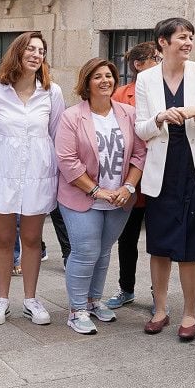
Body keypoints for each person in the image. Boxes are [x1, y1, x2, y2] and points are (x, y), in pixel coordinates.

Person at [135, 18, 195, 341]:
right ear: (163, 42)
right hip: (162, 171)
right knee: (159, 246)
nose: (188, 43)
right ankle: (160, 309)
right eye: (182, 37)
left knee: (189, 248)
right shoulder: (145, 79)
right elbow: (141, 129)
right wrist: (159, 118)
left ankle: (190, 312)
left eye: (191, 37)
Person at [0, 31, 65, 326]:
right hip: (4, 173)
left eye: (40, 50)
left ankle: (30, 299)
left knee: (31, 238)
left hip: (38, 175)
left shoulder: (52, 92)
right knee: (3, 238)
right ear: (17, 52)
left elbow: (55, 133)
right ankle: (2, 299)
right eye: (30, 49)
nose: (36, 54)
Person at [55, 58, 146, 335]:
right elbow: (67, 160)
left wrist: (127, 187)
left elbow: (140, 154)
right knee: (85, 251)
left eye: (109, 75)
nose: (105, 80)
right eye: (97, 77)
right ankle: (77, 309)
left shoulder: (128, 113)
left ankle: (94, 301)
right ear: (87, 83)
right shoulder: (72, 116)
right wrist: (97, 190)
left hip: (119, 198)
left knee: (104, 251)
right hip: (82, 197)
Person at [106, 41, 159, 310]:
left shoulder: (165, 92)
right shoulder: (119, 95)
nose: (160, 63)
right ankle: (126, 288)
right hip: (130, 179)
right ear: (139, 65)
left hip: (160, 177)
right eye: (155, 59)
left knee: (159, 241)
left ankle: (157, 295)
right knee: (126, 239)